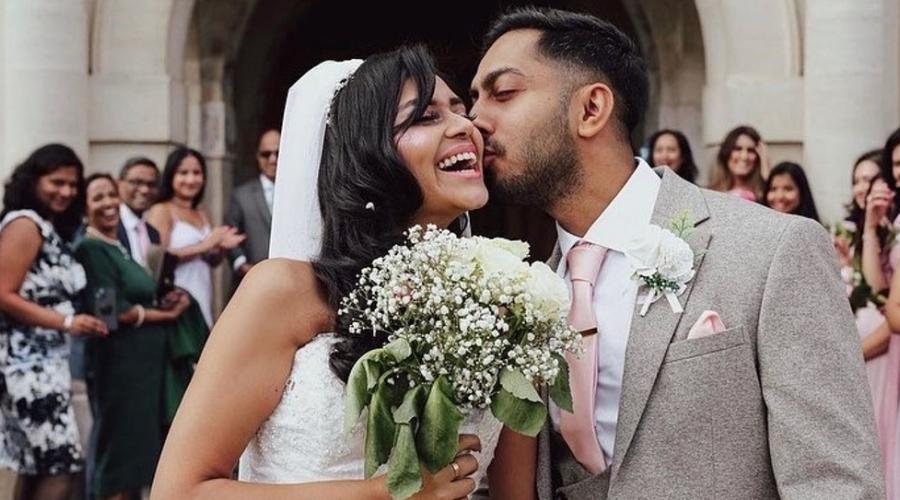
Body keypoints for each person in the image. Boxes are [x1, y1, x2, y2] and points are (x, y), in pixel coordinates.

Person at [469, 7, 883, 498]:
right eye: (474, 99)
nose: (475, 120)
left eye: (503, 93)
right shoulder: (521, 299)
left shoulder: (774, 251)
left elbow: (834, 482)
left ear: (590, 109)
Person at [152, 45, 534, 499]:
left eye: (459, 109)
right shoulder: (284, 292)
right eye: (426, 117)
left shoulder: (504, 299)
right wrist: (386, 493)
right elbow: (180, 492)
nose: (465, 127)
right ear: (365, 153)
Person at [0, 144, 108, 500]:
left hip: (47, 364)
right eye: (56, 182)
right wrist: (66, 322)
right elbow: (3, 292)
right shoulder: (25, 224)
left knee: (41, 465)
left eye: (72, 184)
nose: (66, 192)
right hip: (26, 367)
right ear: (34, 180)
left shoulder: (46, 226)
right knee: (61, 466)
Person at [74, 174, 191, 500]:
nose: (108, 203)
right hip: (119, 368)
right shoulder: (91, 248)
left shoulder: (119, 247)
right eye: (98, 198)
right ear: (85, 207)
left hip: (144, 369)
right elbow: (111, 313)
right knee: (119, 460)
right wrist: (164, 316)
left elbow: (138, 296)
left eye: (111, 195)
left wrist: (166, 300)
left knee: (139, 460)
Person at [146, 148, 244, 326]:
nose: (191, 180)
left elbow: (210, 261)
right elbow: (157, 258)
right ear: (170, 176)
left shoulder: (201, 212)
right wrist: (207, 244)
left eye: (197, 173)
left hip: (202, 295)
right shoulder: (162, 210)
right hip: (176, 299)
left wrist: (221, 247)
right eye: (183, 173)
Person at [226, 129, 279, 282]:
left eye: (278, 153)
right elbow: (231, 235)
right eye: (266, 154)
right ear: (257, 156)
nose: (273, 159)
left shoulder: (300, 193)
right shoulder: (241, 195)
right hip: (253, 281)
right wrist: (242, 265)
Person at [116, 157, 162, 266]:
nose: (145, 190)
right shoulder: (109, 227)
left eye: (151, 185)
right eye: (137, 182)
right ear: (119, 183)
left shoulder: (153, 233)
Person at [709, 125, 768, 202]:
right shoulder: (711, 194)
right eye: (738, 149)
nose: (744, 157)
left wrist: (767, 177)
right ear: (726, 153)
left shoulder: (767, 196)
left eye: (750, 150)